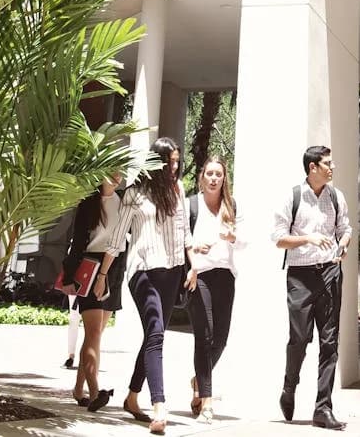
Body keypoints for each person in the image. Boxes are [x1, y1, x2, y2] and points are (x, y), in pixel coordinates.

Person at [99, 137, 194, 436]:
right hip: (142, 272)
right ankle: (159, 406)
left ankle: (131, 397)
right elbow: (117, 238)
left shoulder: (178, 192)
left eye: (178, 162)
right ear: (157, 162)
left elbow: (184, 234)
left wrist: (193, 268)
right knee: (155, 334)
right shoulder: (135, 194)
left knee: (155, 335)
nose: (175, 167)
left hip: (172, 272)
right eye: (171, 162)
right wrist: (102, 275)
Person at [272, 145, 352, 432]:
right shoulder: (293, 196)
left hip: (331, 273)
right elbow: (278, 238)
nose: (332, 168)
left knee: (329, 343)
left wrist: (342, 245)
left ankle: (323, 408)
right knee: (300, 338)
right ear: (312, 168)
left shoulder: (336, 196)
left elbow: (345, 229)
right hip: (300, 277)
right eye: (327, 164)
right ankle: (289, 386)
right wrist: (308, 238)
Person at [183, 156, 242, 425]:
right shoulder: (191, 205)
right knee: (204, 336)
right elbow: (181, 237)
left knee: (221, 339)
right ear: (202, 177)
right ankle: (206, 400)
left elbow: (246, 242)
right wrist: (195, 248)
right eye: (210, 173)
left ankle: (198, 378)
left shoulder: (231, 205)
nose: (214, 178)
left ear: (224, 178)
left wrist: (233, 237)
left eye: (218, 174)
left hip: (225, 277)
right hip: (200, 275)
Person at [58, 174, 124, 412]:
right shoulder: (88, 202)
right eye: (113, 172)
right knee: (93, 331)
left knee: (95, 335)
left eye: (121, 173)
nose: (118, 178)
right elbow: (77, 242)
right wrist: (68, 277)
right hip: (91, 266)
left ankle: (78, 389)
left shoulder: (124, 200)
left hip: (114, 267)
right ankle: (95, 391)